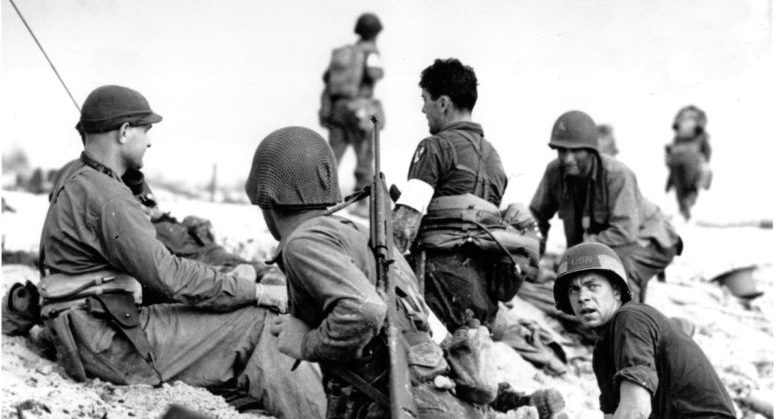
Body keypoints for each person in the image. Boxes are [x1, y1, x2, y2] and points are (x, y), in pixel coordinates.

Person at [38, 85, 325, 419]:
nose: (149, 141)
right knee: (259, 324)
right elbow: (171, 276)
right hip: (107, 345)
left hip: (84, 330)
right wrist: (256, 292)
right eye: (146, 131)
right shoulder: (110, 197)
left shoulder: (77, 179)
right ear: (124, 131)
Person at [245, 126, 565, 419]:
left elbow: (364, 310)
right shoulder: (366, 238)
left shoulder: (303, 242)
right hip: (437, 398)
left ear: (266, 198)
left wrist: (306, 343)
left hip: (396, 405)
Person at [391, 58, 536, 333]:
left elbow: (403, 227)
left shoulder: (435, 147)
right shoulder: (495, 159)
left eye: (425, 99)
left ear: (443, 103)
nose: (423, 109)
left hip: (437, 288)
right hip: (483, 297)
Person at [553, 242, 736, 418]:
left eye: (592, 286)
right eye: (573, 290)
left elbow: (636, 410)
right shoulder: (602, 351)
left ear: (616, 291)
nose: (583, 297)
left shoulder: (631, 319)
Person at [530, 110, 682, 303]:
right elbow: (536, 217)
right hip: (611, 241)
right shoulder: (555, 172)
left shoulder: (617, 174)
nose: (568, 159)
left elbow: (625, 232)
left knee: (617, 269)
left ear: (592, 151)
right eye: (562, 151)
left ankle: (630, 326)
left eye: (575, 151)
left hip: (652, 239)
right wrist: (532, 256)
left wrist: (575, 254)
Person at [319, 12, 385, 217]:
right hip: (359, 109)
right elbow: (376, 74)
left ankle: (319, 201)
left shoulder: (345, 53)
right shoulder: (370, 51)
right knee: (365, 156)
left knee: (331, 157)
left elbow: (327, 79)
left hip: (338, 109)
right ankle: (362, 204)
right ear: (375, 33)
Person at [664, 105, 712, 220]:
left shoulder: (678, 137)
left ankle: (683, 210)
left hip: (675, 160)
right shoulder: (701, 136)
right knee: (695, 185)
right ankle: (687, 208)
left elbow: (670, 151)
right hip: (692, 161)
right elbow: (707, 152)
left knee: (678, 186)